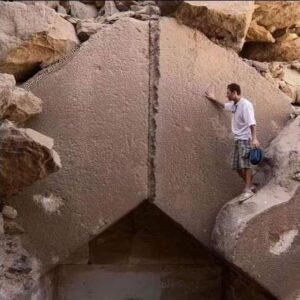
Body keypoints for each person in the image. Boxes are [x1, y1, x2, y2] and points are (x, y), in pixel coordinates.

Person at [205, 83, 259, 203]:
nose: (226, 94)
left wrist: (254, 138)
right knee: (237, 166)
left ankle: (248, 189)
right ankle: (250, 184)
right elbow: (223, 105)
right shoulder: (235, 105)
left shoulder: (245, 105)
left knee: (246, 164)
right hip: (238, 139)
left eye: (228, 93)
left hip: (246, 138)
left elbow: (252, 123)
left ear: (235, 93)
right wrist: (212, 98)